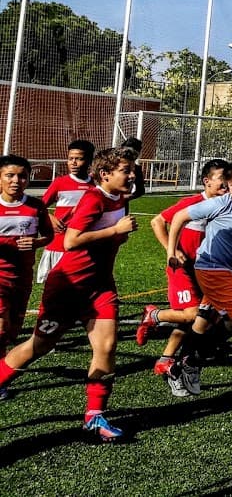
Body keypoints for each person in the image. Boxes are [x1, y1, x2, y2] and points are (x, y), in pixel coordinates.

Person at [0, 147, 138, 440]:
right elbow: (71, 241)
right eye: (125, 170)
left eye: (131, 169)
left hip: (100, 286)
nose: (131, 174)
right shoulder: (93, 199)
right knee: (39, 347)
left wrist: (117, 235)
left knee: (108, 346)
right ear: (105, 174)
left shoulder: (120, 198)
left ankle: (94, 416)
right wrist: (114, 232)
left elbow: (111, 236)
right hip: (68, 286)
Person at [165, 161, 232, 395]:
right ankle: (194, 361)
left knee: (202, 320)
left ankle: (176, 364)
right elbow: (179, 218)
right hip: (211, 268)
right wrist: (171, 251)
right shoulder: (218, 204)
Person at [137, 159, 229, 396]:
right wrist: (172, 249)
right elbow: (157, 221)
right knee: (192, 314)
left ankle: (167, 359)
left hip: (206, 271)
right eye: (221, 178)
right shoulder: (193, 203)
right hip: (182, 269)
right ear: (207, 181)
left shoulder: (227, 205)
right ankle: (154, 315)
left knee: (200, 319)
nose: (226, 183)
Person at [0, 155, 54, 400]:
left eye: (22, 175)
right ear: (0, 178)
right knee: (1, 330)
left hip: (22, 277)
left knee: (13, 332)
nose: (16, 180)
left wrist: (36, 242)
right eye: (9, 175)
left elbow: (49, 236)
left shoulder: (35, 206)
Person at [36, 139, 96, 283]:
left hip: (83, 239)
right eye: (70, 159)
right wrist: (50, 218)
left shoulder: (95, 185)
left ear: (89, 161)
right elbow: (39, 206)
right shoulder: (60, 182)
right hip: (59, 240)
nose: (73, 163)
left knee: (81, 280)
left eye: (79, 159)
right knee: (54, 280)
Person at [121, 137, 146, 202]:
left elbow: (140, 191)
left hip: (122, 207)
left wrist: (123, 198)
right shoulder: (111, 164)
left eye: (134, 154)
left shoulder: (137, 169)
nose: (132, 176)